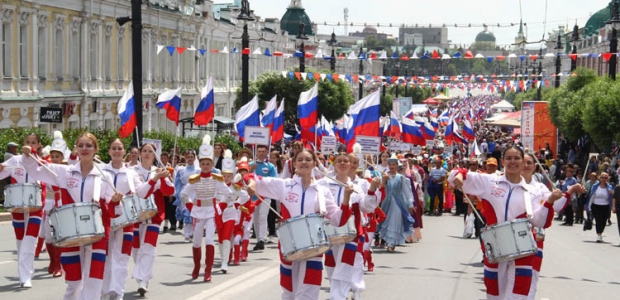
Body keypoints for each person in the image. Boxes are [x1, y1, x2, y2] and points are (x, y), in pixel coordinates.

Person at [20, 132, 124, 299]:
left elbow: (114, 210)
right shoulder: (65, 172)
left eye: (89, 146)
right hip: (70, 233)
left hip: (97, 234)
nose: (84, 149)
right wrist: (28, 154)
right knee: (73, 282)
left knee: (94, 280)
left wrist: (115, 201)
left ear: (95, 149)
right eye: (81, 145)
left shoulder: (105, 175)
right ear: (75, 148)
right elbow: (36, 169)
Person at [449, 145, 560, 300]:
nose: (512, 162)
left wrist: (549, 202)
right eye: (508, 158)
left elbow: (539, 221)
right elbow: (454, 176)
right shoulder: (490, 182)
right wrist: (460, 175)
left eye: (516, 158)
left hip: (523, 252)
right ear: (502, 161)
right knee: (494, 296)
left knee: (517, 296)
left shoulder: (532, 191)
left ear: (523, 162)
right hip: (495, 250)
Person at [245, 148, 352, 300]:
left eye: (308, 159)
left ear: (315, 163)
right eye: (300, 159)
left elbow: (338, 220)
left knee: (309, 292)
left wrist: (346, 199)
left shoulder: (322, 191)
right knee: (289, 292)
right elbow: (253, 177)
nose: (304, 162)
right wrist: (251, 183)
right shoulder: (284, 185)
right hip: (289, 247)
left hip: (314, 249)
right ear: (294, 163)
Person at [319, 152, 380, 300]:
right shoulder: (323, 183)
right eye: (339, 161)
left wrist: (372, 190)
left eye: (346, 161)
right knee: (332, 265)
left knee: (347, 264)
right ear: (334, 164)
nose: (343, 163)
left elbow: (367, 207)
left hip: (350, 233)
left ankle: (340, 296)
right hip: (329, 231)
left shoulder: (357, 187)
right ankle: (338, 293)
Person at [521, 152, 582, 298]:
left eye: (529, 162)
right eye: (523, 162)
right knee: (509, 279)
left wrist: (570, 190)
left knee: (531, 276)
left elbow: (557, 205)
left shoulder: (540, 187)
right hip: (511, 237)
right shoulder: (509, 184)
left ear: (535, 167)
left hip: (534, 238)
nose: (526, 165)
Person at [101, 139, 150, 300]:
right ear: (109, 151)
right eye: (113, 148)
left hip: (126, 221)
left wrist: (154, 180)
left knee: (122, 258)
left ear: (124, 152)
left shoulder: (131, 173)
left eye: (119, 148)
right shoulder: (101, 171)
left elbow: (141, 192)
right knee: (106, 258)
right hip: (106, 220)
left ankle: (118, 293)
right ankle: (105, 291)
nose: (116, 151)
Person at [0, 134, 47, 288]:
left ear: (39, 145)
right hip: (17, 206)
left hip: (36, 206)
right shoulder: (15, 161)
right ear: (22, 144)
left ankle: (26, 275)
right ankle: (25, 274)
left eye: (33, 143)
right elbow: (2, 173)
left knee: (30, 239)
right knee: (21, 240)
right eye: (27, 142)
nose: (29, 145)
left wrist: (34, 156)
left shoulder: (42, 162)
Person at [180, 135, 229, 282]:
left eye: (208, 163)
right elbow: (183, 194)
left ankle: (208, 271)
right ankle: (196, 267)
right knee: (196, 241)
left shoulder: (217, 178)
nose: (206, 166)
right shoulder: (194, 179)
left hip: (212, 212)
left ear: (212, 164)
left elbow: (229, 194)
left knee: (209, 240)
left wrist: (220, 206)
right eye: (203, 163)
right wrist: (191, 207)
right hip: (198, 212)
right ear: (200, 164)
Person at [131, 143, 174, 296]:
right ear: (140, 153)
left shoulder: (160, 171)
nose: (147, 153)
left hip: (154, 215)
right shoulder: (132, 171)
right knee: (136, 250)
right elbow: (135, 190)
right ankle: (144, 274)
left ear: (155, 155)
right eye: (145, 151)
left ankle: (143, 281)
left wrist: (163, 179)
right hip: (135, 215)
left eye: (151, 151)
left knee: (148, 247)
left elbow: (170, 191)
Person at [216, 149, 249, 273]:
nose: (226, 178)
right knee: (220, 238)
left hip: (230, 214)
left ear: (232, 176)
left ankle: (225, 263)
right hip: (219, 214)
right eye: (224, 176)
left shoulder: (235, 187)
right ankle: (223, 258)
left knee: (226, 237)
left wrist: (236, 203)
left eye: (229, 176)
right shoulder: (217, 185)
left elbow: (245, 196)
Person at [377, 155, 415, 252]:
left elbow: (407, 191)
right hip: (387, 203)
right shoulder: (385, 177)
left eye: (393, 164)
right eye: (390, 165)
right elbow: (381, 190)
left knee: (395, 222)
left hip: (399, 204)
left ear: (397, 166)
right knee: (387, 221)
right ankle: (389, 242)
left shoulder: (401, 178)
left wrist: (410, 204)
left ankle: (391, 243)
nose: (391, 166)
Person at [250, 145, 277, 250]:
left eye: (263, 151)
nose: (261, 153)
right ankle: (258, 240)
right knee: (255, 218)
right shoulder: (251, 165)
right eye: (259, 151)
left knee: (262, 216)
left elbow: (274, 180)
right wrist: (251, 170)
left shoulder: (270, 166)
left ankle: (262, 239)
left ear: (266, 153)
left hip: (265, 196)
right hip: (253, 196)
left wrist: (261, 179)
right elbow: (243, 176)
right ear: (256, 153)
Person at [174, 149, 200, 242]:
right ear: (185, 158)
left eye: (191, 157)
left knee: (193, 214)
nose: (190, 159)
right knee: (186, 213)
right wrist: (177, 194)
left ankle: (193, 232)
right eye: (188, 157)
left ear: (195, 158)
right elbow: (177, 183)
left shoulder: (198, 170)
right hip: (185, 192)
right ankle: (186, 233)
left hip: (195, 192)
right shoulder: (181, 170)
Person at [586, 172, 614, 243]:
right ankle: (599, 235)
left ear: (607, 179)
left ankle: (600, 233)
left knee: (604, 221)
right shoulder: (595, 186)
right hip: (596, 206)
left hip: (606, 206)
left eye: (605, 178)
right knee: (598, 220)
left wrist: (612, 193)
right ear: (600, 178)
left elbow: (614, 196)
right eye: (602, 178)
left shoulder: (609, 187)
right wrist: (589, 206)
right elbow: (591, 196)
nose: (604, 179)